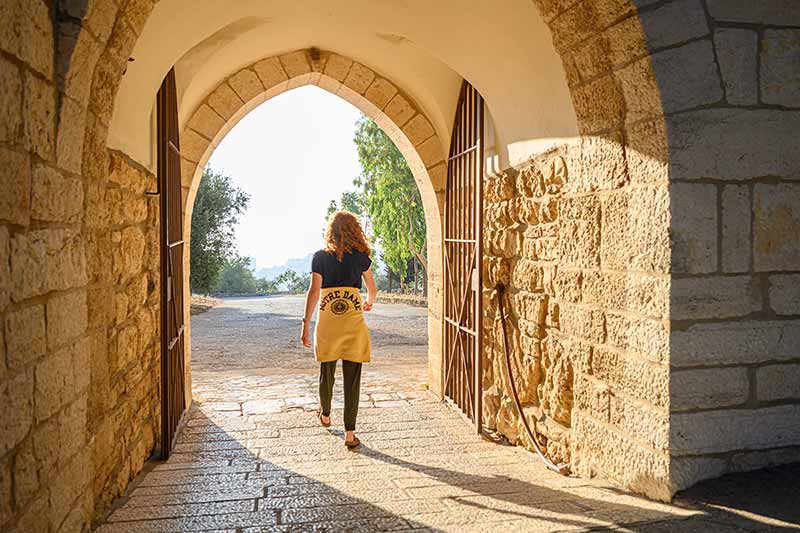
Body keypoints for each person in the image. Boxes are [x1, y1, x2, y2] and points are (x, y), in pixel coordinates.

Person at [301, 210, 377, 448]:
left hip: (328, 322)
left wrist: (305, 324)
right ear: (355, 230)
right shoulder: (361, 257)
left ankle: (325, 414)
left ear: (330, 231)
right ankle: (350, 434)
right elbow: (372, 288)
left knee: (327, 370)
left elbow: (314, 292)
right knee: (353, 380)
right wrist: (369, 303)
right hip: (353, 322)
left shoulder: (320, 257)